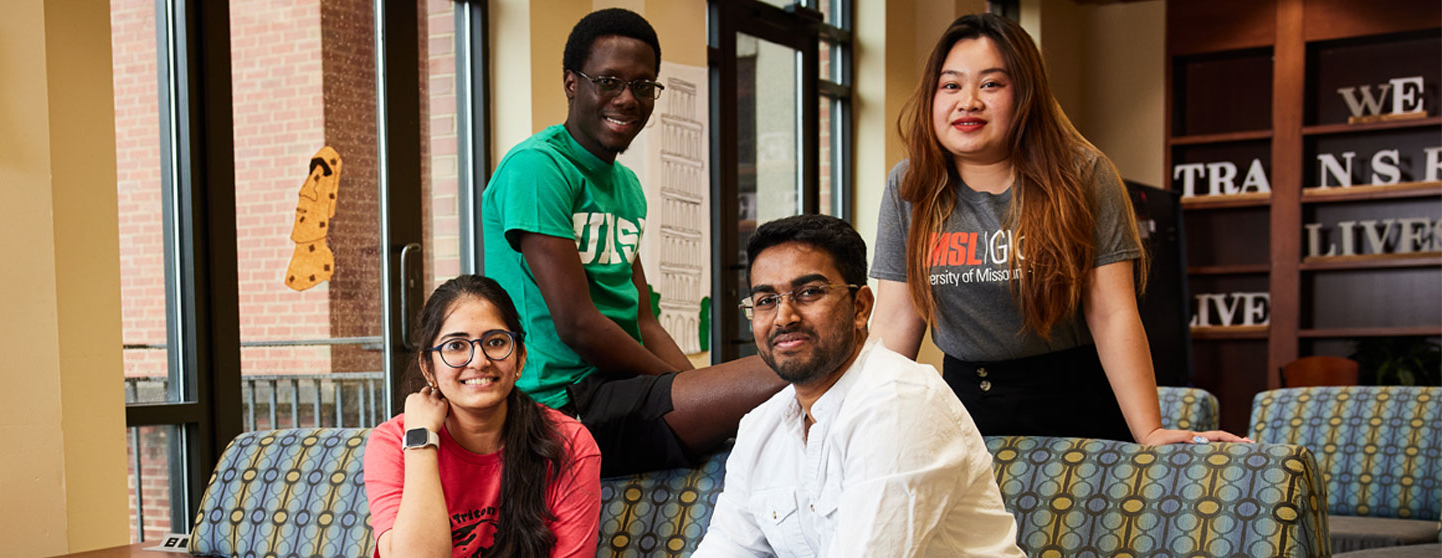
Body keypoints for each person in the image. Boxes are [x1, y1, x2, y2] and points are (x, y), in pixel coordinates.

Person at [867, 13, 1248, 445]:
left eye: (991, 84)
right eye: (951, 85)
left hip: (1074, 403)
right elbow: (896, 319)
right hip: (965, 411)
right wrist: (863, 422)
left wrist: (1150, 429)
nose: (968, 101)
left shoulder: (1082, 175)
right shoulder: (910, 185)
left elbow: (1111, 313)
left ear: (1026, 95)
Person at [481, 8, 784, 476]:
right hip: (560, 404)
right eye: (609, 81)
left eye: (643, 86)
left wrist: (696, 386)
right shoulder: (537, 169)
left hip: (618, 390)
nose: (627, 98)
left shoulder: (627, 186)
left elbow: (644, 319)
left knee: (787, 390)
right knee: (787, 369)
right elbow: (577, 324)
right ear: (571, 83)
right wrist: (683, 388)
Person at [696, 214, 1025, 557]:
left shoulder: (901, 403)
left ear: (860, 307)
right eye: (766, 300)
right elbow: (726, 547)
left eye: (808, 293)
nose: (784, 317)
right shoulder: (760, 427)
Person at [364, 275, 602, 558]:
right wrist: (421, 441)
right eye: (455, 346)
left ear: (520, 358)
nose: (479, 361)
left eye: (496, 342)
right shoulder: (392, 442)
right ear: (428, 367)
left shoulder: (568, 443)